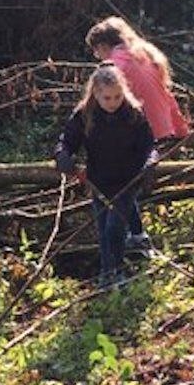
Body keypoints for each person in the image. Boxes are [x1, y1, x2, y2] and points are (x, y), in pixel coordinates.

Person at [85, 16, 189, 253]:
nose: (96, 56)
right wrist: (180, 129)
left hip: (145, 135)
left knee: (116, 178)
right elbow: (167, 96)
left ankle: (133, 239)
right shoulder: (145, 56)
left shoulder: (116, 66)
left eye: (96, 50)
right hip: (162, 131)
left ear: (103, 46)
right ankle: (136, 234)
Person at [54, 64, 155, 288]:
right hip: (98, 180)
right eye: (107, 98)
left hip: (128, 179)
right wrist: (63, 155)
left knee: (114, 227)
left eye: (117, 97)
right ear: (96, 94)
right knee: (103, 230)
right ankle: (106, 274)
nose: (113, 103)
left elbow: (149, 145)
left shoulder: (133, 113)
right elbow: (67, 141)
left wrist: (150, 163)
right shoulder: (84, 115)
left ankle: (116, 272)